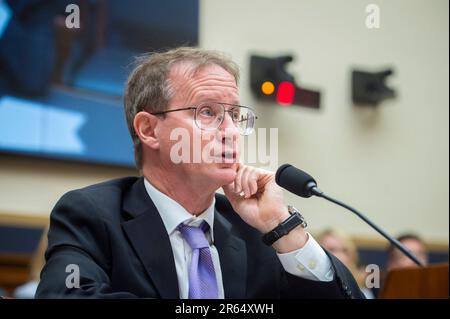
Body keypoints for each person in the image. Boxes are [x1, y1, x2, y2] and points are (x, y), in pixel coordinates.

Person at [36, 47, 364, 299]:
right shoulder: (91, 215)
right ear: (149, 129)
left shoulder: (256, 230)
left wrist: (283, 228)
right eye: (207, 112)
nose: (231, 131)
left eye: (235, 115)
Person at [318, 229, 374, 299]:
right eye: (331, 249)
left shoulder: (362, 291)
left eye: (344, 250)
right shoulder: (309, 286)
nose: (339, 255)